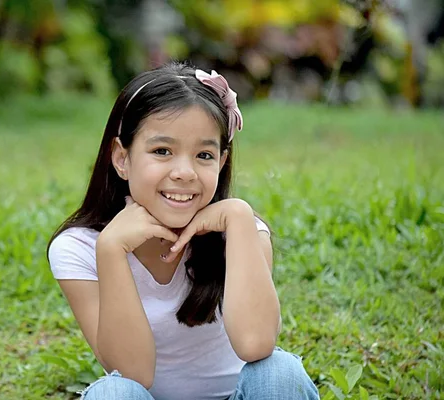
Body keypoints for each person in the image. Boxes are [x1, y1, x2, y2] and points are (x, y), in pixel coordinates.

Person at [47, 62, 320, 400]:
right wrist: (111, 250)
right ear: (122, 157)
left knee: (279, 372)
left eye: (204, 154)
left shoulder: (242, 232)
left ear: (221, 162)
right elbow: (132, 375)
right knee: (112, 393)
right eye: (162, 151)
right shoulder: (80, 248)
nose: (184, 172)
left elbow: (256, 344)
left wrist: (238, 217)